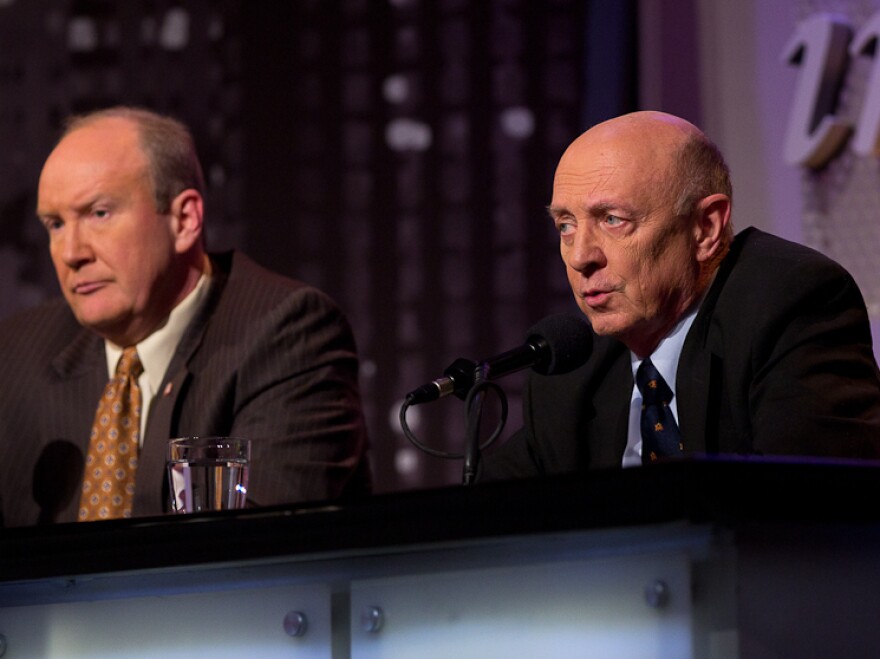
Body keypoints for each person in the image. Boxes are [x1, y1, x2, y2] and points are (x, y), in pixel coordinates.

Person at [0, 106, 370, 526]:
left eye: (99, 214)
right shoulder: (12, 354)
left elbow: (262, 553)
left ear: (184, 220)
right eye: (55, 224)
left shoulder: (290, 335)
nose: (71, 254)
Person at [482, 110, 880, 479]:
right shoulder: (570, 371)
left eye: (613, 219)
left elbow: (807, 511)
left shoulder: (789, 304)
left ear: (704, 228)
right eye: (566, 225)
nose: (582, 256)